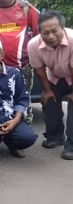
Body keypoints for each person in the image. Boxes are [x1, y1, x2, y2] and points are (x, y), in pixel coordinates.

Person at [27, 10, 73, 160]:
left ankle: (71, 145)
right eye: (45, 33)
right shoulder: (33, 44)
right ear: (39, 32)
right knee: (49, 101)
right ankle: (55, 137)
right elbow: (39, 69)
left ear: (63, 28)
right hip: (55, 76)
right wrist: (46, 90)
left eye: (55, 31)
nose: (50, 36)